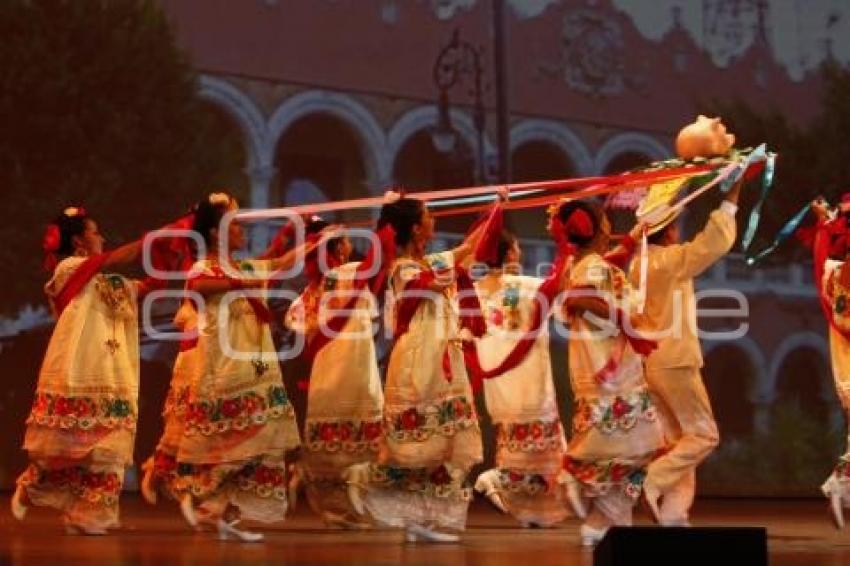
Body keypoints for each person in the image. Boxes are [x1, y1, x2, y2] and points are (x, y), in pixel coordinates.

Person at [174, 192, 335, 542]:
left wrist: (312, 243)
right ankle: (201, 494)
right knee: (239, 442)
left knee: (262, 443)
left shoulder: (246, 267)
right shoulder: (207, 267)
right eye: (235, 224)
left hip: (257, 368)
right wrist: (239, 282)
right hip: (227, 369)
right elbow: (197, 286)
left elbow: (280, 263)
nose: (242, 229)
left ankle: (218, 511)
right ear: (217, 233)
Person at [345, 191, 498, 543]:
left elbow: (469, 247)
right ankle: (365, 476)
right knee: (416, 443)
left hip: (441, 356)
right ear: (416, 229)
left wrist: (495, 208)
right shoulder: (403, 268)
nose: (434, 220)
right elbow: (426, 281)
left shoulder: (431, 264)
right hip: (418, 359)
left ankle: (420, 520)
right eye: (429, 215)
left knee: (440, 443)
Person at [12, 206, 152, 535]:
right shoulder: (69, 269)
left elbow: (142, 287)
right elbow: (114, 259)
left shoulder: (107, 282)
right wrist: (153, 240)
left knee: (106, 446)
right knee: (66, 445)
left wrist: (172, 261)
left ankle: (88, 515)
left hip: (110, 372)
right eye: (95, 231)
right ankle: (32, 486)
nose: (101, 237)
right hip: (78, 367)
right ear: (78, 241)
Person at [630, 180, 743, 526]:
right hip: (675, 360)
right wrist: (732, 196)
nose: (680, 229)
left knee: (680, 441)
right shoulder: (668, 261)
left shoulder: (638, 265)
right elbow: (712, 243)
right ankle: (651, 481)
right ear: (667, 232)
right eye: (676, 224)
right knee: (704, 435)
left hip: (652, 363)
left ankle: (674, 514)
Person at [555, 199, 664, 546]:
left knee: (630, 446)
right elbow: (579, 297)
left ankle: (605, 521)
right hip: (609, 369)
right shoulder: (593, 267)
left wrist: (636, 233)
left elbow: (593, 282)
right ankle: (574, 476)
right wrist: (625, 320)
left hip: (607, 365)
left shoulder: (589, 263)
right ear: (600, 227)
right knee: (634, 444)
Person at [285, 217, 383, 529]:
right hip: (353, 362)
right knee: (364, 435)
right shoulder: (351, 273)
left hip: (326, 368)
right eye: (346, 240)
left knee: (331, 441)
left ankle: (334, 509)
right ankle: (347, 505)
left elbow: (296, 323)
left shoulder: (312, 289)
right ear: (340, 247)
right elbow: (381, 260)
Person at [471, 230, 572, 527]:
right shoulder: (526, 286)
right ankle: (496, 479)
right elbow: (559, 289)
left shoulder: (472, 292)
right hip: (530, 384)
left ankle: (531, 514)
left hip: (499, 390)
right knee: (549, 460)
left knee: (522, 455)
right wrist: (566, 246)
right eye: (516, 248)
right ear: (511, 254)